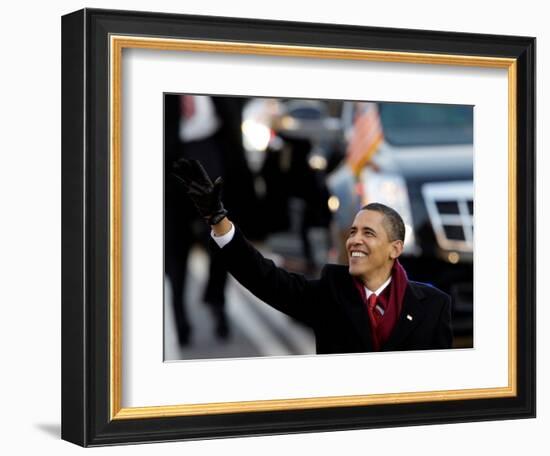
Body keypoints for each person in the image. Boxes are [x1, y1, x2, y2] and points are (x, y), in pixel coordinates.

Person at [172, 159, 453, 354]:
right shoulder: (331, 291)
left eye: (368, 233)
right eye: (353, 231)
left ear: (395, 249)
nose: (354, 239)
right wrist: (217, 218)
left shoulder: (433, 306)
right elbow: (263, 277)